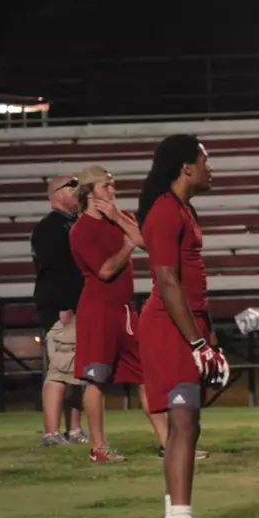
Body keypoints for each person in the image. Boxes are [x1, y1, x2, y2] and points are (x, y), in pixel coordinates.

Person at [136, 134, 230, 518]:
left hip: (184, 325)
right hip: (169, 327)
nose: (211, 169)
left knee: (185, 425)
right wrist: (197, 342)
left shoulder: (180, 208)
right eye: (206, 161)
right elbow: (168, 281)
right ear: (186, 167)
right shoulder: (164, 209)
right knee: (185, 425)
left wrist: (208, 337)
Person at [70, 165, 166, 463]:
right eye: (106, 186)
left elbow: (146, 242)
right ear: (90, 193)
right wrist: (126, 246)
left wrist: (118, 218)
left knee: (146, 376)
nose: (113, 190)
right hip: (98, 311)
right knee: (96, 378)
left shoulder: (121, 217)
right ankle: (99, 448)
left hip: (125, 310)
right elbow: (105, 270)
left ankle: (170, 443)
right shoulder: (81, 230)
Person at [30, 175, 87, 447]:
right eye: (71, 186)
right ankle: (51, 433)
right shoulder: (50, 227)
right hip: (62, 309)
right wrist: (64, 305)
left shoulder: (72, 224)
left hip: (76, 307)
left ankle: (74, 430)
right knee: (59, 370)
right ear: (55, 194)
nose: (78, 190)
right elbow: (54, 270)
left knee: (76, 372)